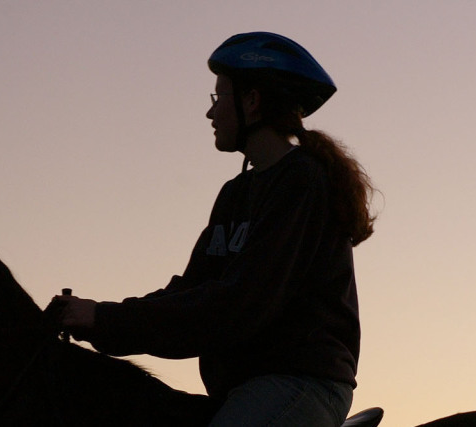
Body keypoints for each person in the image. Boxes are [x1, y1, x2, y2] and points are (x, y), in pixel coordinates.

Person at [53, 31, 375, 427]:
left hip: (297, 384)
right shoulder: (235, 193)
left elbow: (239, 303)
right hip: (242, 389)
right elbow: (192, 291)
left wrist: (105, 320)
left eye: (218, 98)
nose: (210, 114)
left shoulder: (302, 181)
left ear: (252, 101)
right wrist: (97, 318)